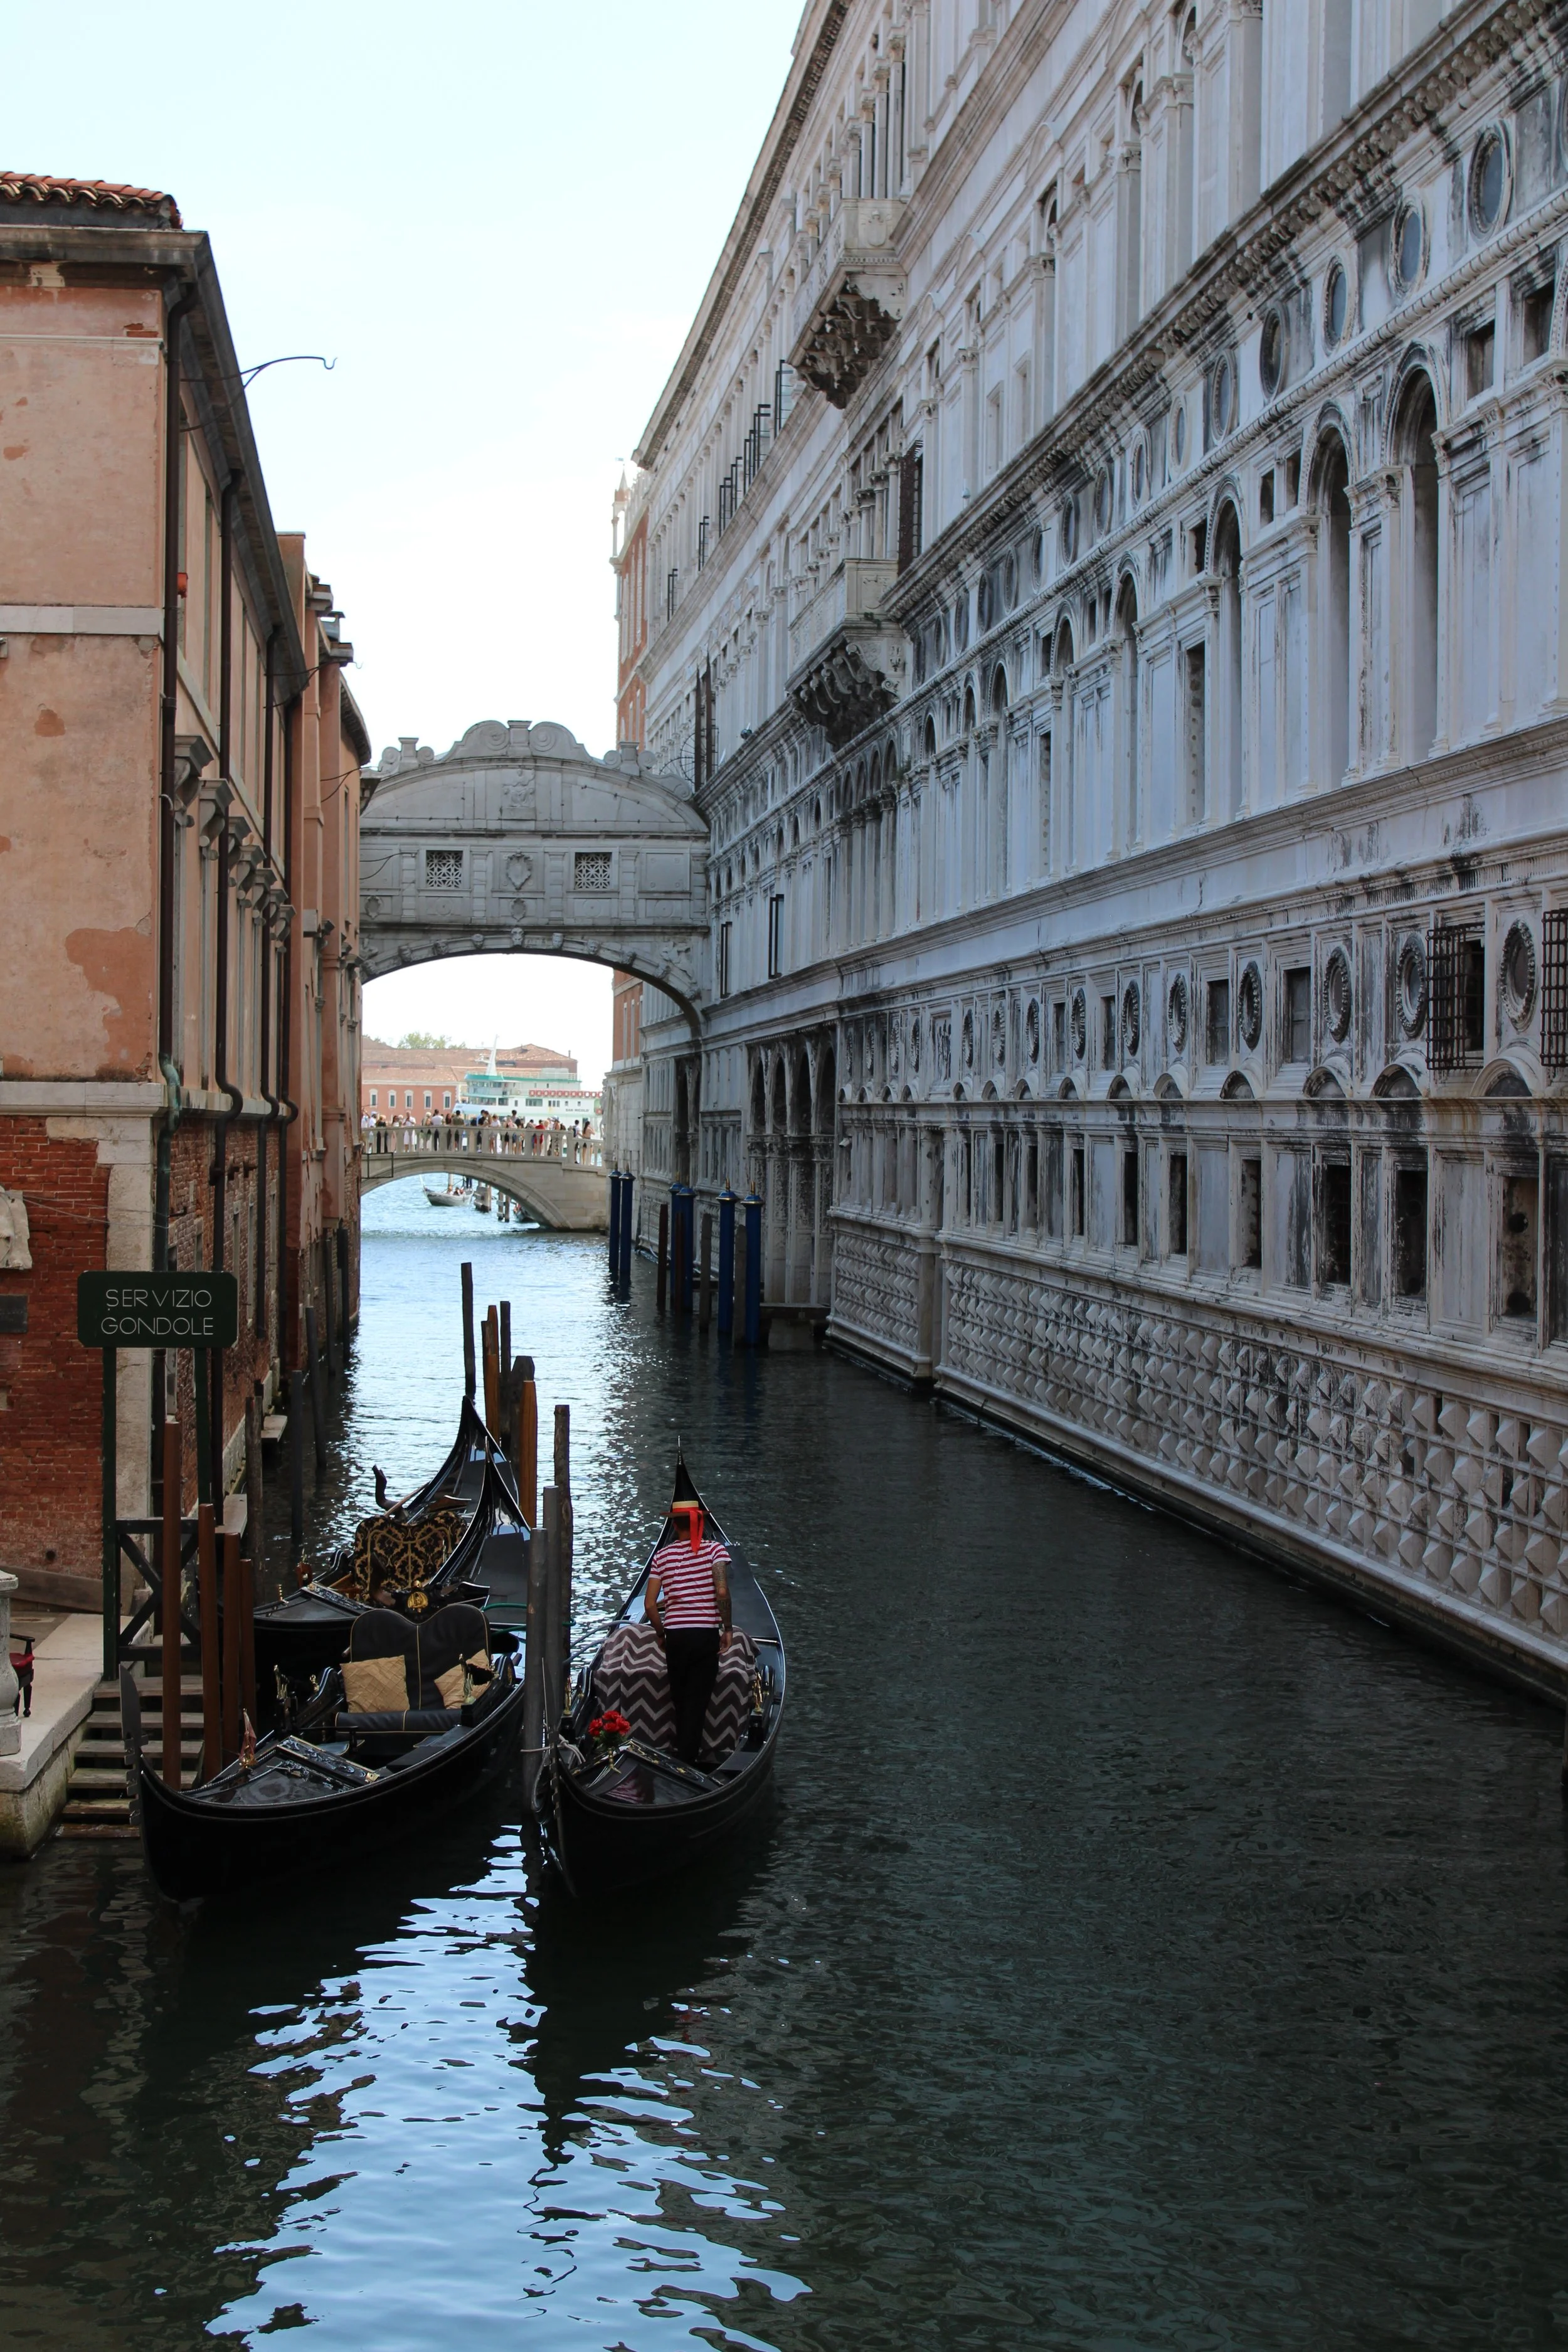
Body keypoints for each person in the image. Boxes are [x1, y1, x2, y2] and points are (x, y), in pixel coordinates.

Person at [644, 1501, 732, 1764]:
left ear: (673, 1524)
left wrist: (661, 1633)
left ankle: (682, 1757)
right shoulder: (715, 1550)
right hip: (705, 1635)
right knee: (697, 1701)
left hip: (677, 1637)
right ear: (700, 1524)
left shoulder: (662, 1557)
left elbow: (650, 1605)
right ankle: (687, 1764)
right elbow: (722, 1592)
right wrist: (727, 1629)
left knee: (681, 1701)